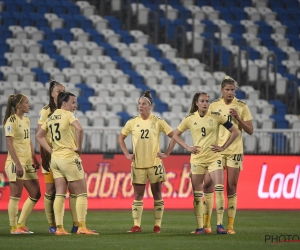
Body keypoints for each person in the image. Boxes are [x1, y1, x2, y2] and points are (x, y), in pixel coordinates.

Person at [172, 92, 239, 234]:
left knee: (219, 189)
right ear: (196, 103)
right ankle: (200, 227)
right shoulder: (190, 119)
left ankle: (220, 225)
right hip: (197, 159)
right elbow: (175, 134)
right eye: (202, 101)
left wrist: (223, 147)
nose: (205, 103)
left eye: (207, 101)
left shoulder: (216, 115)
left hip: (214, 157)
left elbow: (235, 131)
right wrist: (188, 147)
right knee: (197, 194)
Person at [36, 92, 98, 235]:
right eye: (73, 102)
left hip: (56, 159)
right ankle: (82, 227)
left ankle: (59, 228)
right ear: (64, 103)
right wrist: (79, 147)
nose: (75, 105)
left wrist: (50, 150)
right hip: (69, 157)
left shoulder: (50, 117)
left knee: (60, 194)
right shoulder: (68, 115)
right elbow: (79, 128)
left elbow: (38, 136)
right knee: (81, 193)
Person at [118, 90, 176, 234]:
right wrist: (126, 154)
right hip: (138, 164)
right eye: (139, 103)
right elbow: (120, 138)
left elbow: (174, 136)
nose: (140, 106)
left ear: (150, 106)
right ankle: (136, 225)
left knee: (157, 195)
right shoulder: (132, 122)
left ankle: (157, 225)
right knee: (138, 196)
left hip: (155, 163)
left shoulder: (157, 121)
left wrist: (167, 153)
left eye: (144, 104)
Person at [203, 76, 253, 235]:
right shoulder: (213, 105)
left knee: (231, 187)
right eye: (227, 90)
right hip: (216, 150)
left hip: (234, 151)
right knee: (208, 184)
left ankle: (230, 226)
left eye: (232, 90)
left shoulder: (242, 106)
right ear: (221, 90)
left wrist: (238, 118)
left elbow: (250, 130)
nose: (230, 92)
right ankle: (206, 225)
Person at [37, 80, 80, 233]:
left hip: (66, 155)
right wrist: (45, 155)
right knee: (51, 190)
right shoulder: (46, 111)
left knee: (72, 190)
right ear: (51, 94)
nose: (61, 93)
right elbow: (40, 136)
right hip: (52, 155)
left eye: (63, 91)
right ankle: (53, 225)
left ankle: (76, 224)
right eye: (58, 91)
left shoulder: (68, 108)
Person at [3, 94, 41, 234]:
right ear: (18, 105)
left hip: (27, 162)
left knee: (36, 193)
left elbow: (28, 140)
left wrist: (34, 158)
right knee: (15, 195)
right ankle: (14, 228)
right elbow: (9, 144)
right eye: (26, 102)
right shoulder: (10, 121)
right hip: (15, 163)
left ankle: (21, 224)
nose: (29, 105)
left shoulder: (26, 119)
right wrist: (18, 164)